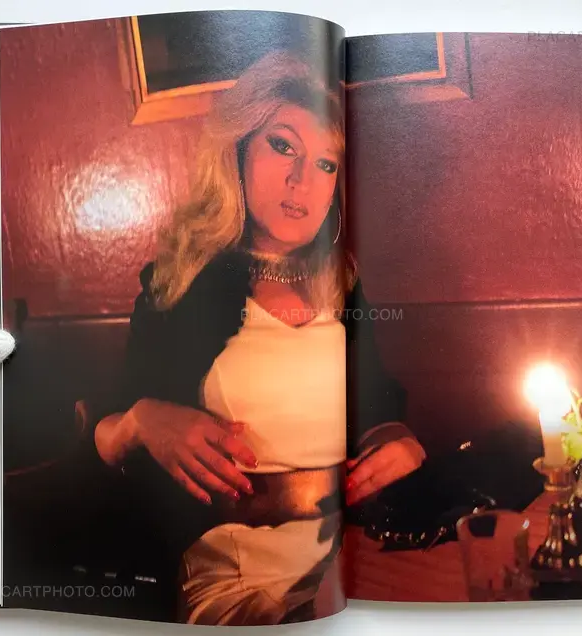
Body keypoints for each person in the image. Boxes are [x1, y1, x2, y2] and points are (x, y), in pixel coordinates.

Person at [92, 50, 426, 625]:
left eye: (326, 163)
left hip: (358, 550)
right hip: (239, 573)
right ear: (238, 149)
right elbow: (103, 434)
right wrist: (142, 420)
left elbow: (377, 404)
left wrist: (399, 440)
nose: (302, 180)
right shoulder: (182, 280)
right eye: (282, 146)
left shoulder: (342, 281)